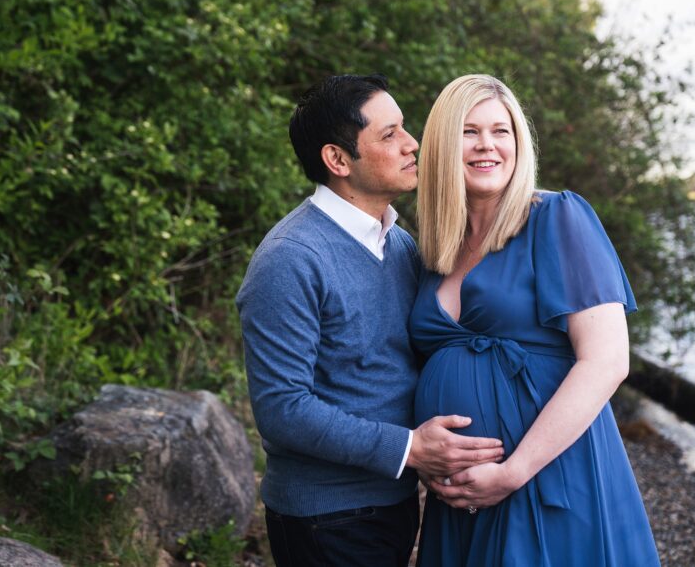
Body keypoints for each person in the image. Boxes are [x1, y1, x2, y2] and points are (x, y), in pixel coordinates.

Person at [236, 74, 505, 567]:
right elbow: (282, 408)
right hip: (325, 516)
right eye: (388, 135)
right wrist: (410, 448)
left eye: (404, 128)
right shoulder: (290, 259)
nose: (412, 144)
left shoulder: (398, 244)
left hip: (392, 501)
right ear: (338, 160)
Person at [411, 74, 660, 566]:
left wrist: (513, 472)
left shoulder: (556, 218)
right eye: (469, 131)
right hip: (461, 494)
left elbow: (607, 361)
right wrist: (424, 454)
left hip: (547, 474)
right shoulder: (435, 248)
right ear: (442, 145)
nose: (487, 145)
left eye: (501, 131)